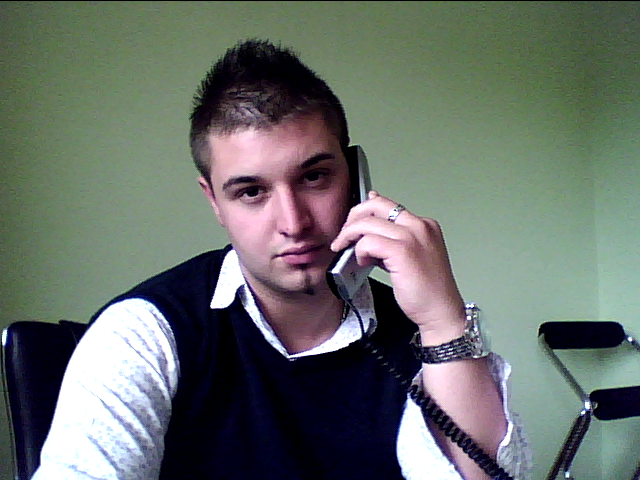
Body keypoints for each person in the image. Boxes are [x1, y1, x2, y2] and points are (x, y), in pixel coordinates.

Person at [32, 38, 531, 480]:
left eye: (314, 177)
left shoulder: (418, 335)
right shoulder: (145, 334)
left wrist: (444, 322)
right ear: (214, 202)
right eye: (251, 191)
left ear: (355, 176)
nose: (293, 222)